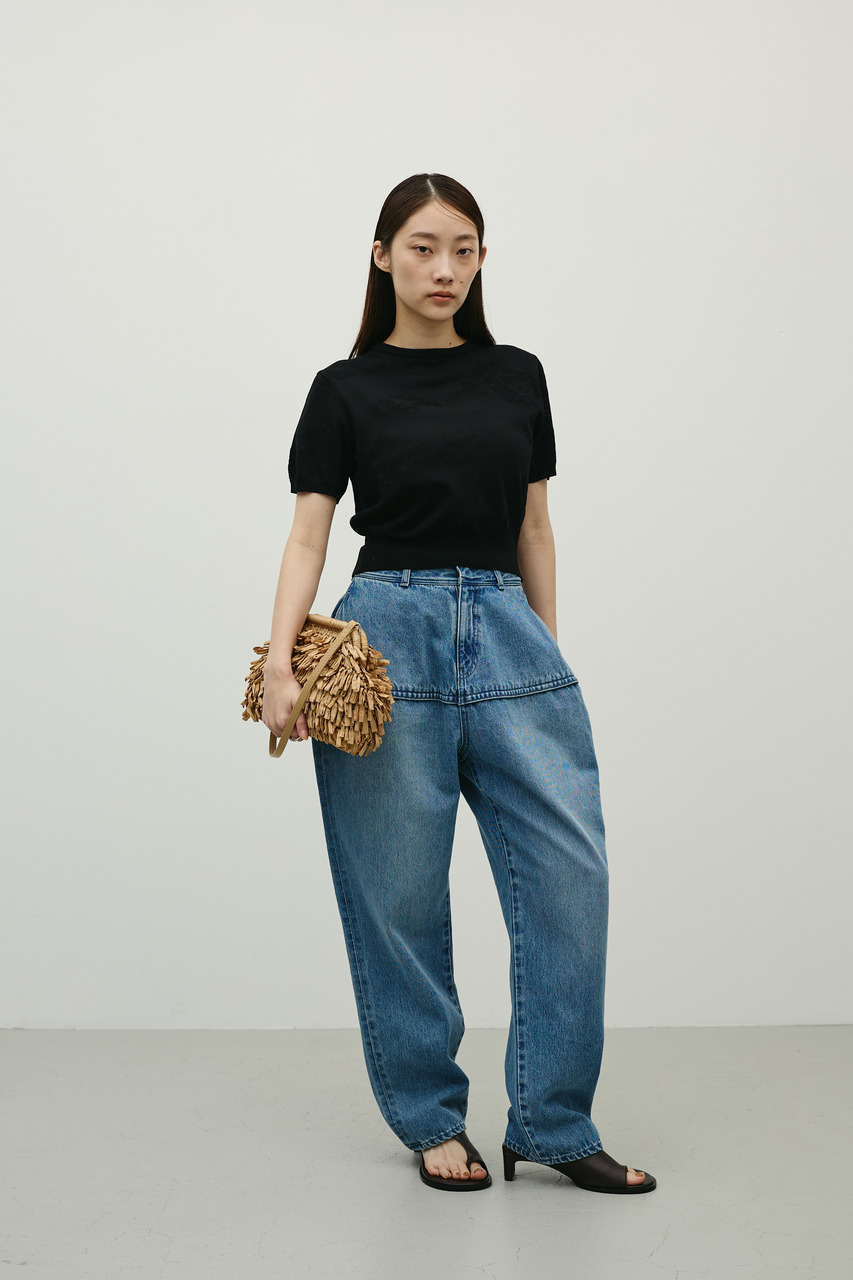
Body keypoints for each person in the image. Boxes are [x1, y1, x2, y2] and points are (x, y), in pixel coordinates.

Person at [262, 173, 657, 1195]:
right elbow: (307, 534)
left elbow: (534, 526)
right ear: (382, 255)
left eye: (465, 249)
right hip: (384, 634)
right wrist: (281, 660)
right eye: (424, 246)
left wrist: (546, 652)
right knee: (397, 894)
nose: (445, 268)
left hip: (508, 629)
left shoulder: (517, 375)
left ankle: (553, 1122)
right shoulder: (343, 388)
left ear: (482, 260)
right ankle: (431, 1115)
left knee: (570, 879)